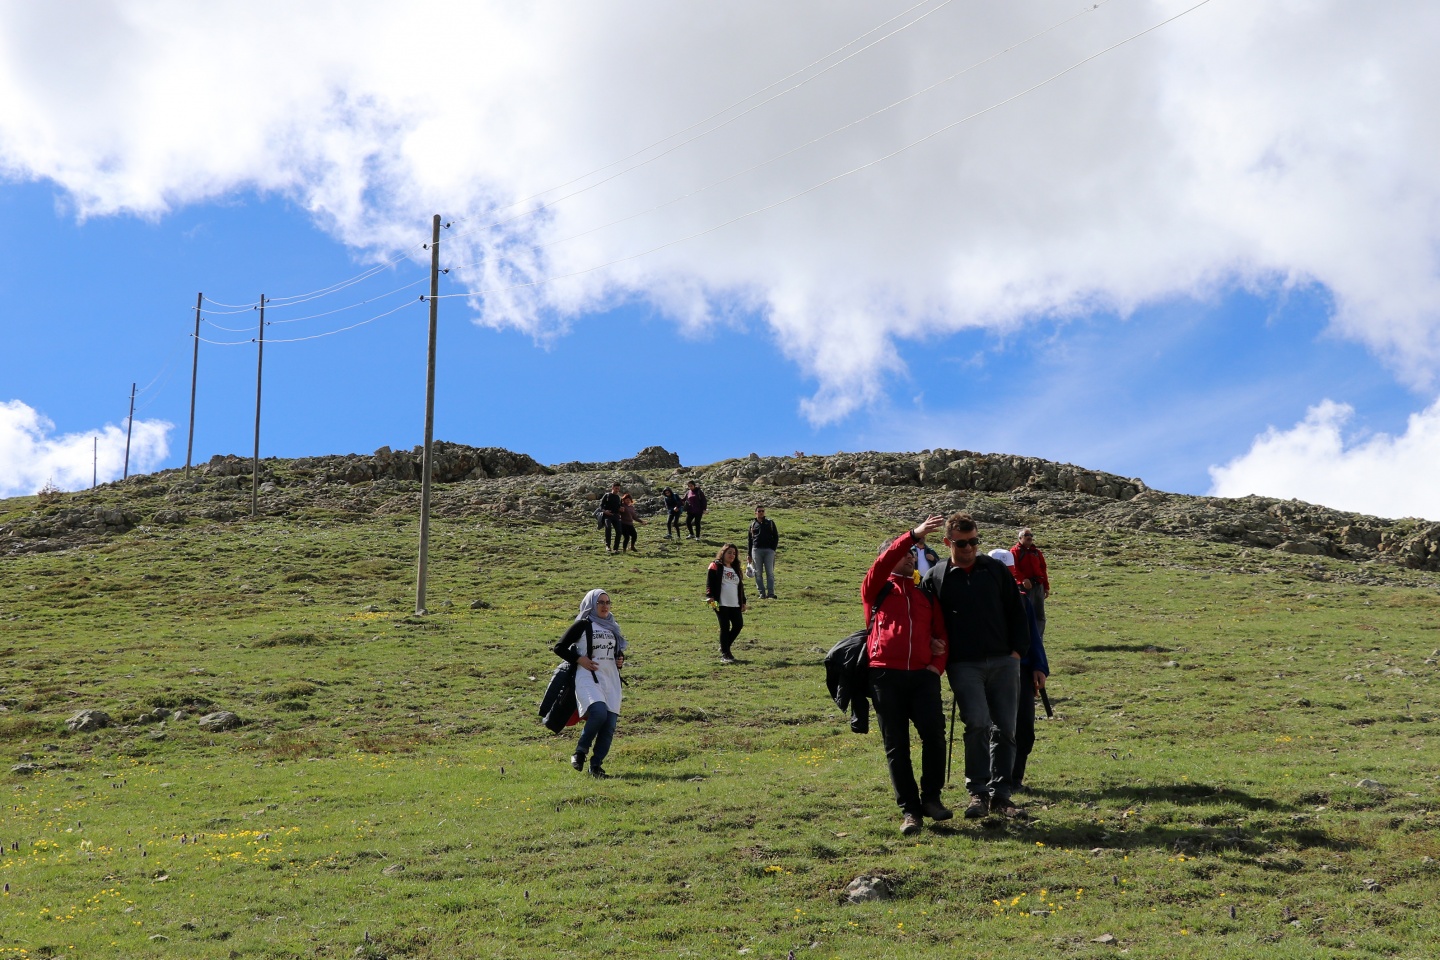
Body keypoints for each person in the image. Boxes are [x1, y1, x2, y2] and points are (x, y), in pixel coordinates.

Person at [922, 513, 1030, 819]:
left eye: (974, 542)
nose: (969, 548)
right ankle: (978, 793)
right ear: (947, 542)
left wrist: (1017, 653)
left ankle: (1002, 795)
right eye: (962, 543)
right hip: (963, 665)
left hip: (1004, 661)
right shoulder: (936, 577)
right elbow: (927, 619)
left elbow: (1017, 612)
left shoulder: (994, 570)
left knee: (1006, 728)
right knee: (979, 723)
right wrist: (931, 643)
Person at [862, 515, 951, 836]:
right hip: (885, 676)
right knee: (896, 745)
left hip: (922, 677)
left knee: (935, 738)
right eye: (905, 553)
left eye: (914, 554)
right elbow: (884, 561)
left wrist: (935, 667)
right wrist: (913, 534)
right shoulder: (876, 589)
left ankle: (931, 799)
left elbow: (943, 637)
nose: (911, 556)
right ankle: (910, 811)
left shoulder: (925, 595)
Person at [988, 549, 1050, 792]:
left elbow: (1033, 637)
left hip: (1021, 672)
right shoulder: (980, 600)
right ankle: (994, 779)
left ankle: (1015, 778)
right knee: (996, 728)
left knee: (1024, 727)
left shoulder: (1022, 599)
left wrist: (1039, 666)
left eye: (1009, 572)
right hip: (990, 671)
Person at [551, 589, 628, 778]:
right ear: (591, 604)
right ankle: (580, 751)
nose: (604, 606)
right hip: (588, 678)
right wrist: (579, 659)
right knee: (599, 712)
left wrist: (620, 658)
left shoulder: (612, 626)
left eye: (607, 602)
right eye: (600, 602)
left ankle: (596, 767)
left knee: (609, 725)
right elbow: (559, 647)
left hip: (611, 679)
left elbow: (616, 651)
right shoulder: (582, 625)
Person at [705, 543, 748, 662]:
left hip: (735, 603)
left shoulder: (736, 569)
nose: (732, 555)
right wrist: (709, 596)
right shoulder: (715, 565)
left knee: (738, 625)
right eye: (729, 552)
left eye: (734, 553)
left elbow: (740, 587)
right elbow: (709, 583)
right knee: (724, 627)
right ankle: (726, 654)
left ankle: (724, 646)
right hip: (718, 602)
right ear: (723, 553)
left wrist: (743, 602)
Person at [1011, 527, 1051, 638]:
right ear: (1020, 538)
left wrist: (1046, 587)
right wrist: (1023, 579)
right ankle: (1025, 638)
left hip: (1038, 586)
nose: (1029, 537)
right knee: (1025, 614)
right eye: (1026, 535)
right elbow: (1014, 568)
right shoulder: (1014, 552)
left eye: (1031, 535)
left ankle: (1038, 638)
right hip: (1024, 588)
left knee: (1039, 615)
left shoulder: (1037, 552)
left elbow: (1043, 569)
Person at [747, 506, 780, 599]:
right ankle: (762, 593)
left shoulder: (770, 523)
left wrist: (773, 549)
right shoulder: (753, 524)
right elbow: (750, 540)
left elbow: (776, 537)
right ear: (755, 513)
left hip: (769, 551)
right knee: (758, 573)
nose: (761, 512)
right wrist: (749, 554)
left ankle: (771, 593)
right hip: (756, 550)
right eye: (759, 511)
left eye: (762, 511)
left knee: (770, 572)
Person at [599, 483, 624, 554]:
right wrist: (605, 511)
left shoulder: (618, 498)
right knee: (608, 527)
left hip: (616, 515)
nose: (617, 490)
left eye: (618, 489)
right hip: (607, 515)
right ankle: (608, 546)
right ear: (612, 488)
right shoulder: (607, 495)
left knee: (619, 531)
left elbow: (619, 507)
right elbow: (600, 506)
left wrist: (621, 509)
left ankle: (616, 548)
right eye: (616, 488)